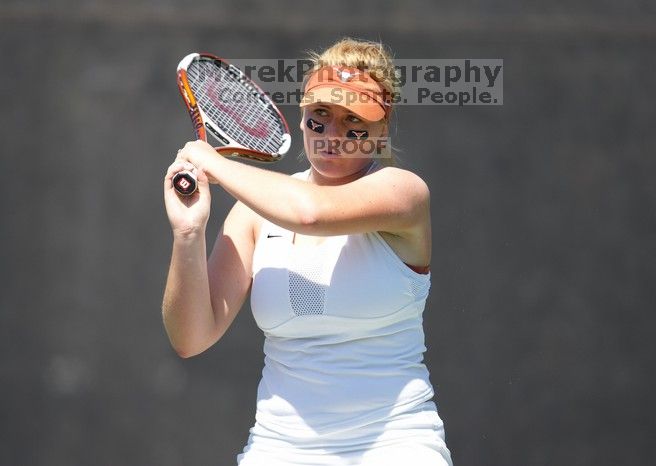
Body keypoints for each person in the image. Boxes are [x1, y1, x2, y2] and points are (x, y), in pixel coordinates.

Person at [162, 38, 453, 465]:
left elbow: (310, 213)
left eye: (353, 121)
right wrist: (188, 233)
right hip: (278, 449)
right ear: (301, 119)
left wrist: (215, 163)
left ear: (382, 130)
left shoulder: (403, 192)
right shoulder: (252, 215)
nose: (333, 135)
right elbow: (190, 338)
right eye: (320, 117)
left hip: (397, 446)